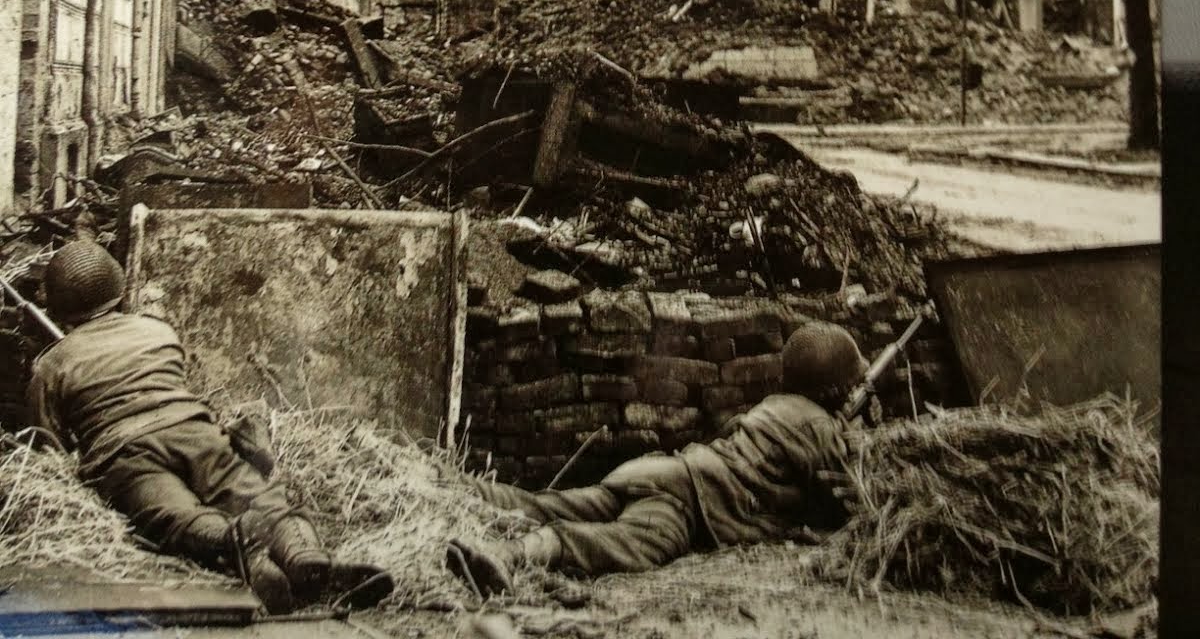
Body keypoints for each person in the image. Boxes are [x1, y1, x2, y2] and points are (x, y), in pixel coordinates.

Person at [27, 239, 392, 615]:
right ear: (117, 290)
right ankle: (302, 553)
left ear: (59, 307)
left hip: (126, 450)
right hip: (192, 427)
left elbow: (48, 449)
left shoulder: (52, 365)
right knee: (254, 492)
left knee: (172, 515)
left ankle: (233, 543)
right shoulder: (157, 331)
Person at [447, 320, 869, 595]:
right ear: (837, 389)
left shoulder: (772, 407)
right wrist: (855, 434)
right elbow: (848, 502)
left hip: (659, 471)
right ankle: (509, 554)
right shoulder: (820, 428)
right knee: (622, 544)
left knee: (550, 504)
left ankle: (458, 488)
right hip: (685, 505)